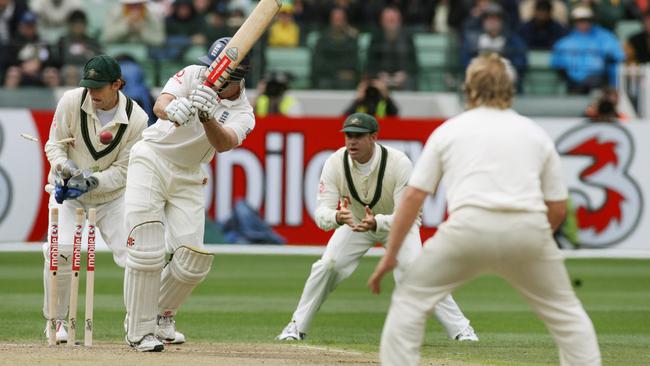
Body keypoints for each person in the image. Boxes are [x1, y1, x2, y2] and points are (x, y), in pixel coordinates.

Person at [368, 53, 601, 366]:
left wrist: (390, 255)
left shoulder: (449, 130)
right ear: (510, 88)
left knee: (410, 302)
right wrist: (532, 243)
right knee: (569, 318)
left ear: (468, 89)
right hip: (527, 230)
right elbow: (557, 207)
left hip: (467, 230)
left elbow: (413, 198)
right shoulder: (534, 132)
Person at [276, 112, 478, 343]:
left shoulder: (399, 162)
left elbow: (408, 214)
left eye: (359, 136)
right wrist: (338, 217)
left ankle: (462, 330)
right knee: (328, 265)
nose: (352, 141)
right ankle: (296, 326)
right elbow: (321, 214)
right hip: (355, 223)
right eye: (348, 135)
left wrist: (378, 222)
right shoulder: (334, 162)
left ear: (373, 137)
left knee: (415, 270)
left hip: (397, 224)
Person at [122, 36, 255, 352]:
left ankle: (161, 316)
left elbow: (223, 144)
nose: (214, 76)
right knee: (146, 248)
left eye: (221, 74)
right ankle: (139, 331)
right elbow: (160, 104)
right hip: (152, 157)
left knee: (192, 260)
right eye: (213, 69)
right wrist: (174, 109)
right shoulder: (195, 74)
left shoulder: (245, 112)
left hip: (190, 174)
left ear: (237, 77)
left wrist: (207, 117)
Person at [43, 54, 149, 343]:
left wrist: (91, 181)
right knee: (60, 250)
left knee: (138, 256)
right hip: (69, 195)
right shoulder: (71, 101)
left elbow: (125, 171)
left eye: (98, 87)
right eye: (88, 86)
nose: (92, 93)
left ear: (118, 84)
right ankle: (56, 322)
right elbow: (54, 146)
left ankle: (138, 324)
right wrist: (65, 169)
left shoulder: (138, 119)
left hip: (112, 198)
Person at [551, 6, 625, 94]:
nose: (583, 23)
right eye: (579, 21)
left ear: (592, 21)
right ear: (574, 22)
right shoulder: (565, 42)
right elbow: (558, 64)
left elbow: (618, 56)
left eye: (586, 20)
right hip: (573, 82)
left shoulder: (605, 37)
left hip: (600, 80)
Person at [366, 6, 418, 90]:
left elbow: (414, 64)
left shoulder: (407, 38)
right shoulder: (376, 38)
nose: (391, 24)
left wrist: (404, 74)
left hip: (403, 79)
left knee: (410, 83)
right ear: (382, 22)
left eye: (393, 20)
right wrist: (379, 74)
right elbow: (370, 64)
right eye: (388, 21)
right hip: (381, 78)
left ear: (400, 21)